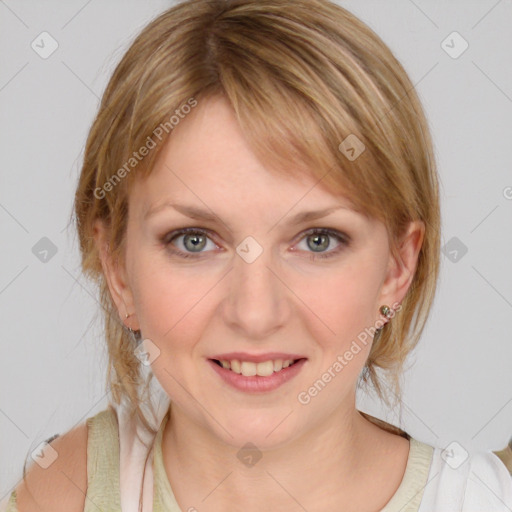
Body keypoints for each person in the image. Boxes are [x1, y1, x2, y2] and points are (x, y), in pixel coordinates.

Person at [3, 0, 512, 510]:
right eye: (194, 240)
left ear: (398, 268)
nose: (254, 313)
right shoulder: (69, 489)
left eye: (318, 240)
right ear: (117, 268)